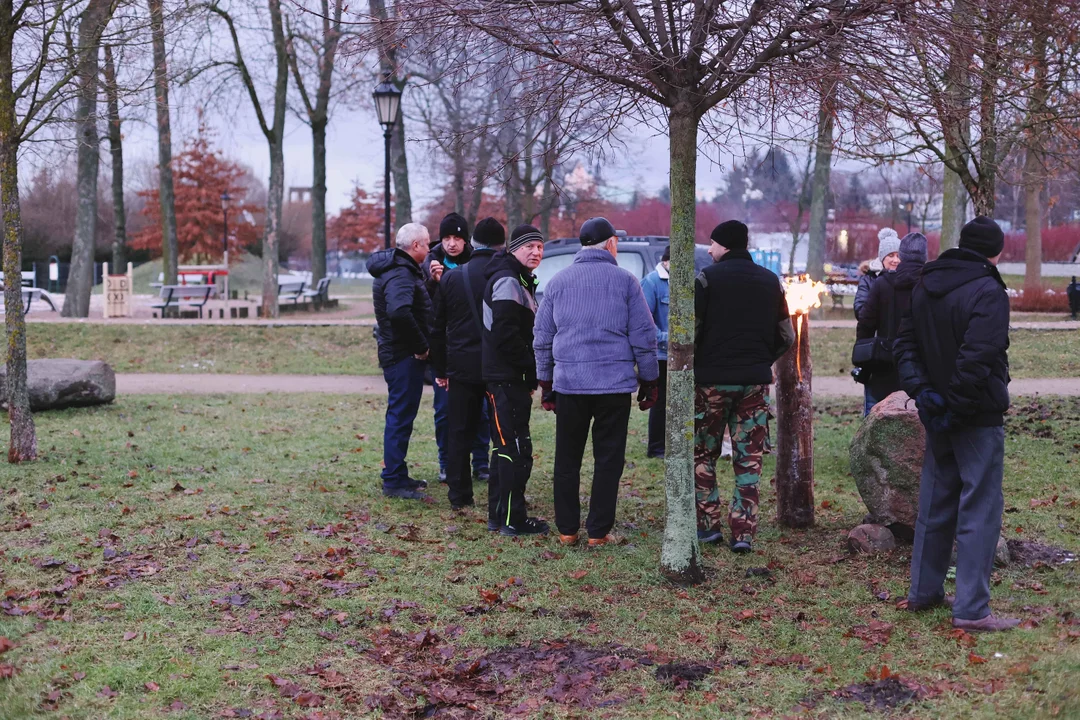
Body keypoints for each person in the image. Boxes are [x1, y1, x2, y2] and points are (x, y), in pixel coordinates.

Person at [894, 216, 1018, 632]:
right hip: (974, 414)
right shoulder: (989, 290)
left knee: (935, 502)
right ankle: (971, 609)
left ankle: (924, 592)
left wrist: (926, 394)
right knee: (980, 507)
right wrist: (955, 406)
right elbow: (979, 356)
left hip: (939, 410)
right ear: (995, 251)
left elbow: (905, 346)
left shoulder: (925, 283)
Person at [533, 217, 659, 548]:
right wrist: (649, 380)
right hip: (613, 387)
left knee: (567, 459)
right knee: (608, 460)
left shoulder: (558, 282)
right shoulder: (626, 282)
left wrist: (546, 382)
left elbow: (542, 338)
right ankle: (599, 532)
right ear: (612, 243)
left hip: (570, 384)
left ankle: (567, 530)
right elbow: (644, 337)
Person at [694, 220, 794, 552]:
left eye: (712, 243)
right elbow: (786, 337)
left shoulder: (706, 280)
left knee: (703, 453)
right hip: (754, 383)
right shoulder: (771, 282)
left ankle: (709, 527)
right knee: (748, 457)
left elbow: (691, 333)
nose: (708, 250)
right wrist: (760, 360)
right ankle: (743, 534)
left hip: (711, 383)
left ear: (725, 246)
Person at [431, 218, 506, 512]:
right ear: (502, 244)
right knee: (501, 431)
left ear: (472, 242)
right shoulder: (508, 276)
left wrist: (440, 369)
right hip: (498, 367)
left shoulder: (451, 278)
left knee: (459, 431)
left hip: (461, 367)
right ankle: (500, 492)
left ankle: (459, 494)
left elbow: (438, 328)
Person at [483, 224, 549, 536]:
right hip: (506, 379)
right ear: (513, 249)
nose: (536, 252)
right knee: (514, 449)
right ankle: (512, 520)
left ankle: (499, 516)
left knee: (507, 447)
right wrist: (530, 369)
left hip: (511, 378)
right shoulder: (509, 280)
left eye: (540, 246)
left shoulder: (518, 278)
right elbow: (505, 335)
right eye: (529, 247)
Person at [369, 223, 433, 500]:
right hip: (403, 355)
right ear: (416, 245)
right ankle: (393, 480)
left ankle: (398, 473)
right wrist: (420, 346)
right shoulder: (400, 272)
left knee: (401, 416)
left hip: (399, 352)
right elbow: (399, 312)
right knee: (399, 416)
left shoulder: (401, 270)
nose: (430, 249)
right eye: (427, 244)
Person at [423, 213, 488, 484]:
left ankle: (481, 461)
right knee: (445, 411)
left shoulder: (476, 264)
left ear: (465, 240)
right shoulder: (429, 263)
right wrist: (433, 283)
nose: (452, 244)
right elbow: (427, 309)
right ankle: (446, 462)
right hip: (445, 350)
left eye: (457, 238)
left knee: (481, 411)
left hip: (474, 349)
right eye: (447, 238)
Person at [856, 232, 928, 415]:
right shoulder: (930, 283)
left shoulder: (882, 284)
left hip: (884, 360)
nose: (895, 260)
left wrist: (862, 358)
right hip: (922, 363)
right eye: (890, 255)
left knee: (876, 416)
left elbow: (865, 323)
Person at [640, 246, 670, 458]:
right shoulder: (651, 282)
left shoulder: (687, 281)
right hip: (661, 354)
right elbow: (646, 320)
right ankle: (656, 447)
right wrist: (668, 340)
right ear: (666, 261)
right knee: (660, 403)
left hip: (683, 354)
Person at [855, 227, 901, 319]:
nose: (896, 260)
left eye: (898, 256)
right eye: (891, 255)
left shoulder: (905, 277)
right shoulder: (868, 279)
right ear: (882, 258)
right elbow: (860, 310)